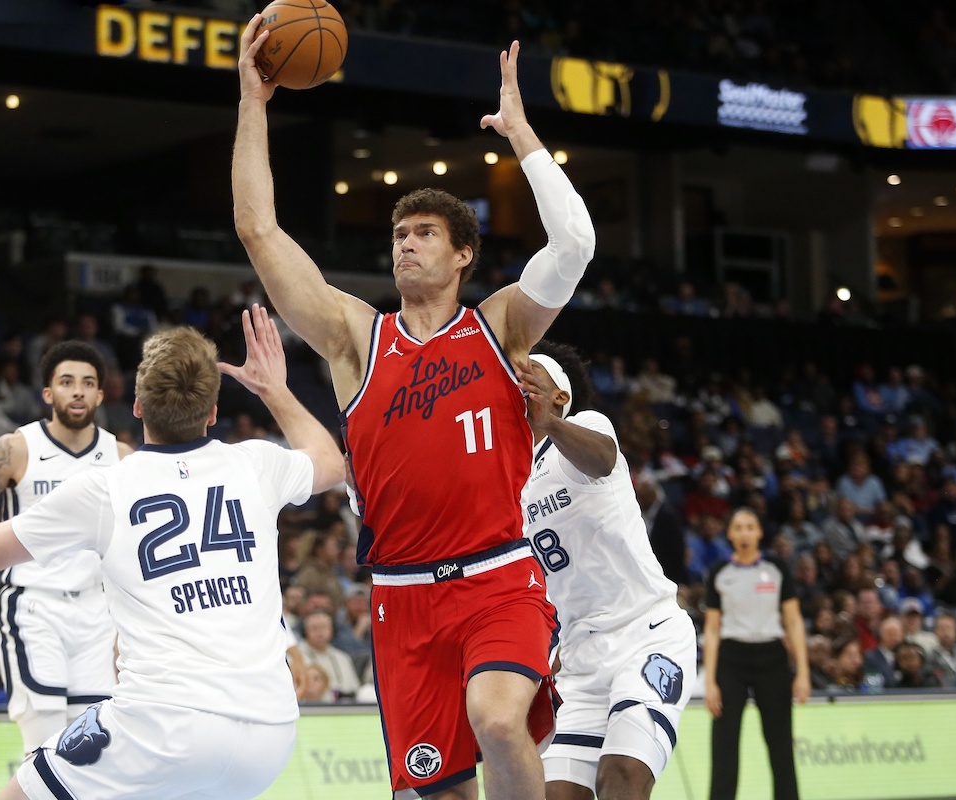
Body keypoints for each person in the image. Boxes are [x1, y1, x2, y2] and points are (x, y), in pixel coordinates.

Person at [234, 20, 595, 797]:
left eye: (425, 233)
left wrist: (523, 137)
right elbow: (258, 232)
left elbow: (574, 245)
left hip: (499, 577)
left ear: (463, 254)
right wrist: (252, 104)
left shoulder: (500, 325)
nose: (405, 244)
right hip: (402, 596)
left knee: (498, 720)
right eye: (399, 233)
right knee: (439, 790)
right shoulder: (356, 340)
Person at [0, 306, 344, 800]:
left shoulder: (106, 487)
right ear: (213, 412)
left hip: (165, 728)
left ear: (138, 408)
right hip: (271, 734)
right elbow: (330, 463)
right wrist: (273, 388)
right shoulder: (256, 463)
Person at [0, 341, 134, 755]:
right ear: (47, 393)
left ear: (100, 395)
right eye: (66, 382)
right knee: (42, 743)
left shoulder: (122, 457)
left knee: (91, 747)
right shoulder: (15, 448)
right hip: (35, 606)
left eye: (87, 383)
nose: (77, 391)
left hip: (98, 613)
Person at [518, 341, 696, 800]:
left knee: (620, 776)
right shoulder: (507, 476)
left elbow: (601, 459)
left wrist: (549, 423)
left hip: (647, 633)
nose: (519, 380)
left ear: (560, 395)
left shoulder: (586, 427)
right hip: (580, 657)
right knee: (557, 794)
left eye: (531, 374)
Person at [704, 508, 810, 800]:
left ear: (760, 532)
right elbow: (712, 629)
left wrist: (803, 671)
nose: (745, 533)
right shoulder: (719, 571)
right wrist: (710, 681)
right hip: (731, 659)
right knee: (724, 745)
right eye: (738, 527)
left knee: (781, 745)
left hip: (772, 657)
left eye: (750, 527)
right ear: (729, 534)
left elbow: (793, 621)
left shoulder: (777, 568)